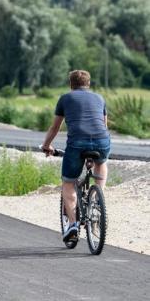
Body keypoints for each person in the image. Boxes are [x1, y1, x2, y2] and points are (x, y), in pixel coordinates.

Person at [42, 70, 110, 244]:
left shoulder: (65, 99)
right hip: (102, 141)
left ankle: (72, 224)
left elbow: (55, 127)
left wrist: (46, 146)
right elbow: (103, 125)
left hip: (77, 144)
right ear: (88, 83)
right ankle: (98, 196)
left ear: (71, 84)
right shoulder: (99, 98)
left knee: (68, 182)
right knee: (101, 162)